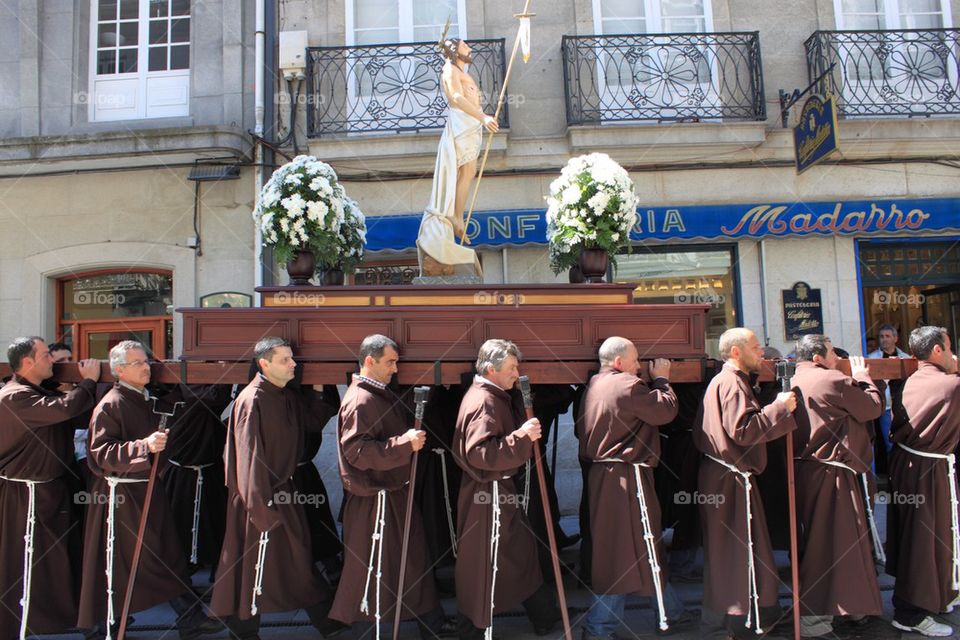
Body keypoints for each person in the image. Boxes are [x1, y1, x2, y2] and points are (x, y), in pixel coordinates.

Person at [77, 340, 220, 640]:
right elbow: (101, 453)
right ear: (119, 370)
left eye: (147, 362)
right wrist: (144, 446)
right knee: (124, 560)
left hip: (146, 491)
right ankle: (106, 627)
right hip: (122, 498)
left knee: (164, 553)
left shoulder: (142, 398)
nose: (147, 368)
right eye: (138, 363)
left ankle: (188, 619)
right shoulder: (112, 404)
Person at [210, 336, 343, 640]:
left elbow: (313, 420)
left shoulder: (284, 395)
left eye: (292, 358)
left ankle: (326, 624)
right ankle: (245, 632)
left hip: (282, 495)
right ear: (264, 364)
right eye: (285, 359)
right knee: (253, 566)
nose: (293, 364)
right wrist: (261, 509)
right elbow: (247, 461)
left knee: (296, 560)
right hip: (260, 501)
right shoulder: (251, 401)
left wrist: (319, 382)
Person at [330, 334, 455, 638]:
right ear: (369, 361)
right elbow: (357, 451)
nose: (396, 369)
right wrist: (403, 444)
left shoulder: (376, 393)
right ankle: (365, 631)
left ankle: (432, 624)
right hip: (374, 502)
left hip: (391, 495)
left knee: (412, 561)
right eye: (390, 362)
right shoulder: (361, 400)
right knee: (371, 567)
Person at [577, 336, 687, 638]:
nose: (640, 367)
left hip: (608, 477)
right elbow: (664, 412)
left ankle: (670, 612)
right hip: (626, 479)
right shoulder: (626, 384)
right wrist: (662, 380)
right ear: (618, 362)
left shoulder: (595, 384)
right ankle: (599, 627)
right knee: (621, 551)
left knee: (639, 545)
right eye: (636, 360)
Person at [453, 339, 560, 639]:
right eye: (512, 367)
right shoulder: (484, 401)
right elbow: (480, 454)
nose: (516, 373)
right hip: (488, 498)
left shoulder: (492, 396)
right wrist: (522, 437)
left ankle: (544, 615)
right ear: (491, 369)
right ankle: (473, 629)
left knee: (520, 555)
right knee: (484, 562)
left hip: (498, 494)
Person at [694, 328, 798, 638]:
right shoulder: (730, 383)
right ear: (737, 352)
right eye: (755, 347)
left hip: (728, 478)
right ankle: (733, 624)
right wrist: (780, 407)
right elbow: (744, 431)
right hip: (728, 481)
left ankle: (751, 618)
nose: (761, 352)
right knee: (733, 553)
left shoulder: (730, 381)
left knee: (739, 551)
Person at [0, 337, 99, 640]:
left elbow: (71, 414)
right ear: (27, 362)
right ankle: (19, 626)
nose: (52, 361)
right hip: (27, 498)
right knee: (29, 563)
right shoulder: (14, 397)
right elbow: (62, 410)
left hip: (51, 493)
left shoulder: (38, 394)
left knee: (61, 561)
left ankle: (82, 620)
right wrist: (88, 382)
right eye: (46, 355)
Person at [789, 334, 884, 637]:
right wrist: (863, 378)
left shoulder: (794, 379)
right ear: (817, 357)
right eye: (832, 353)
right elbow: (871, 409)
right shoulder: (831, 379)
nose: (836, 359)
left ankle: (853, 608)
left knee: (833, 545)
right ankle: (814, 621)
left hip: (808, 472)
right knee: (830, 547)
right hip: (832, 477)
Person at [886, 326, 960, 637]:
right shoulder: (951, 384)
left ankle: (938, 596)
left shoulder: (912, 378)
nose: (953, 354)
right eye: (950, 348)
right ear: (937, 351)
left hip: (909, 465)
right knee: (923, 542)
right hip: (927, 471)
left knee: (929, 537)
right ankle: (910, 614)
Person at [416, 37, 498, 277]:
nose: (469, 49)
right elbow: (456, 97)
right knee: (460, 170)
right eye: (465, 46)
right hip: (462, 124)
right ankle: (454, 215)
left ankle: (457, 216)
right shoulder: (449, 69)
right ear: (454, 51)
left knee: (468, 171)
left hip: (471, 125)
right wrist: (483, 117)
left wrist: (481, 117)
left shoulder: (462, 72)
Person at [867, 323, 909, 469]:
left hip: (902, 405)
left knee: (902, 441)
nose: (884, 339)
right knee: (887, 441)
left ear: (895, 338)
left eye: (887, 336)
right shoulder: (871, 358)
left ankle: (901, 472)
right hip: (884, 405)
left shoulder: (905, 358)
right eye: (881, 337)